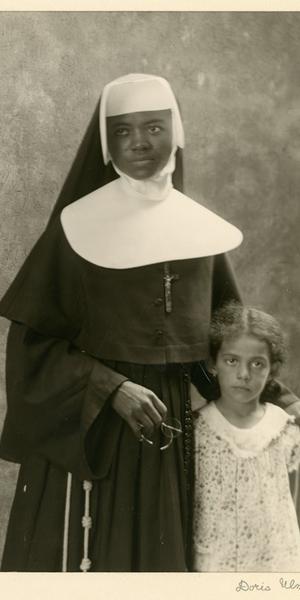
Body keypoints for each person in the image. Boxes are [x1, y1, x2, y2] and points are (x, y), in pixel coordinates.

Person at [0, 73, 298, 573]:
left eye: (154, 127)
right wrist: (110, 387)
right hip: (92, 431)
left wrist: (279, 397)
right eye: (122, 130)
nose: (139, 141)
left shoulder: (199, 230)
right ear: (105, 142)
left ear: (176, 132)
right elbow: (32, 350)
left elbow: (229, 341)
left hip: (171, 435)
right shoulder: (76, 226)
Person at [193, 301, 300, 572]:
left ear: (272, 369)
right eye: (232, 361)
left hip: (276, 563)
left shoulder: (284, 429)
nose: (244, 374)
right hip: (214, 562)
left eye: (257, 364)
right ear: (213, 363)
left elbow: (292, 502)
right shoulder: (197, 430)